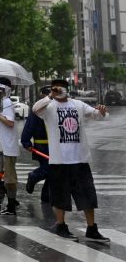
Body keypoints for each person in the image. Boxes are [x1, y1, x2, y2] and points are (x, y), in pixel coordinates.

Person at [32, 77, 110, 242]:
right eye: (54, 88)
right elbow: (35, 109)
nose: (57, 90)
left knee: (88, 195)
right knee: (60, 196)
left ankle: (91, 228)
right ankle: (61, 226)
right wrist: (50, 96)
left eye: (60, 87)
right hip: (59, 161)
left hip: (79, 159)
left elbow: (96, 114)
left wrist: (101, 111)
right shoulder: (49, 107)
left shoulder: (77, 104)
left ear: (66, 88)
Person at [0, 77, 20, 215]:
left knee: (9, 178)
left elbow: (10, 123)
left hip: (8, 147)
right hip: (4, 146)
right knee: (5, 176)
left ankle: (12, 205)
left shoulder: (7, 103)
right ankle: (12, 200)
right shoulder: (2, 103)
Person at [21, 86, 51, 204]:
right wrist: (26, 141)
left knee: (52, 172)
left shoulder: (55, 107)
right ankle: (33, 176)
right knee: (48, 168)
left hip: (54, 145)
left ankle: (46, 196)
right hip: (42, 145)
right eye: (47, 94)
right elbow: (30, 125)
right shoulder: (38, 107)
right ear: (42, 95)